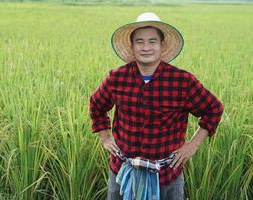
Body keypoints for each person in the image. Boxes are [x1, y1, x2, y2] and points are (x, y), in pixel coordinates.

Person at [89, 12, 224, 200]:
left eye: (152, 41)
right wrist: (105, 137)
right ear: (132, 46)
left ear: (162, 46)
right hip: (122, 172)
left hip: (166, 176)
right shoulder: (117, 78)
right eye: (139, 41)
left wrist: (193, 144)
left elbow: (214, 109)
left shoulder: (182, 81)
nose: (146, 47)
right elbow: (96, 104)